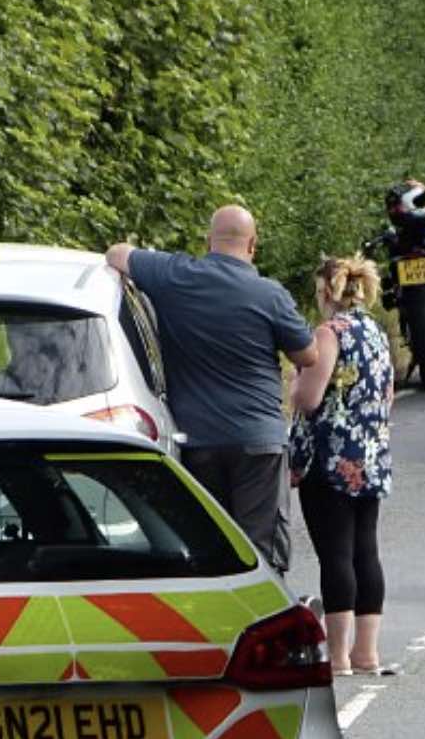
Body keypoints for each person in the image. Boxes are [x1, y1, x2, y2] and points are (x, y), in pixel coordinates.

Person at [107, 207, 321, 574]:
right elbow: (308, 354)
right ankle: (263, 623)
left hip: (198, 441)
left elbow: (116, 254)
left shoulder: (174, 275)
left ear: (208, 242)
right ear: (253, 245)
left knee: (211, 549)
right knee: (261, 552)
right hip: (259, 440)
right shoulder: (269, 294)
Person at [289, 255, 394, 675]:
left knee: (335, 554)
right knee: (365, 550)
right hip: (371, 452)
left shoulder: (329, 333)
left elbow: (309, 398)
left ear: (327, 292)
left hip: (330, 456)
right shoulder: (376, 333)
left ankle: (336, 657)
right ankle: (366, 652)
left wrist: (296, 381)